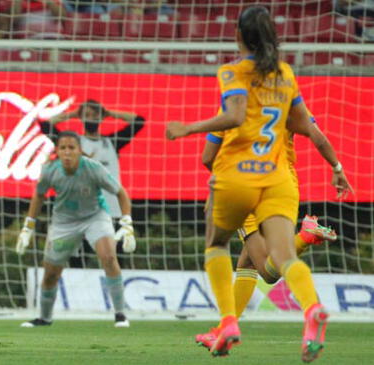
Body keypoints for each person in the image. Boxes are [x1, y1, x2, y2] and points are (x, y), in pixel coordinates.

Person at [165, 6, 352, 361]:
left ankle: (227, 323)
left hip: (239, 177)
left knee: (218, 245)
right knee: (271, 261)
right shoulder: (284, 75)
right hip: (280, 177)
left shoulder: (233, 74)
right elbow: (308, 128)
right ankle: (312, 308)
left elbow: (226, 128)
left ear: (238, 37)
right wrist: (336, 166)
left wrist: (188, 128)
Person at [195, 111, 352, 350]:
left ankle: (305, 237)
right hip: (283, 182)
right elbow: (318, 138)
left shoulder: (234, 102)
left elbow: (208, 157)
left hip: (246, 182)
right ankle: (223, 329)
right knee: (247, 262)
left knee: (268, 272)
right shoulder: (287, 98)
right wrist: (337, 167)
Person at [16, 131, 136, 328]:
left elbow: (121, 192)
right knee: (51, 273)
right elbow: (39, 196)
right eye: (63, 148)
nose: (67, 153)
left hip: (95, 218)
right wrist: (28, 227)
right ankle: (44, 318)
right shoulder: (49, 170)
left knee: (108, 257)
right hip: (64, 223)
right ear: (57, 151)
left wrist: (127, 223)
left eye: (72, 148)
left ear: (80, 151)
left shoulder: (93, 168)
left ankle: (120, 314)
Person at [40, 100, 144, 220]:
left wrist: (110, 113)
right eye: (87, 115)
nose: (91, 118)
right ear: (81, 118)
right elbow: (45, 125)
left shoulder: (112, 142)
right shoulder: (73, 143)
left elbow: (139, 121)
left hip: (111, 211)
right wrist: (73, 114)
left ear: (101, 117)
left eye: (95, 115)